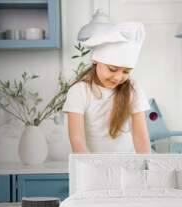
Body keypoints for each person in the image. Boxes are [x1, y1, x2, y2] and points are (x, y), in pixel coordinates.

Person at [62, 22, 151, 154]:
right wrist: (90, 168)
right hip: (92, 165)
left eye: (126, 72)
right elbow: (77, 140)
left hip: (128, 164)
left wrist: (146, 165)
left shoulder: (133, 89)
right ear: (95, 60)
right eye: (112, 69)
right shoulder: (79, 91)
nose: (118, 77)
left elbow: (141, 136)